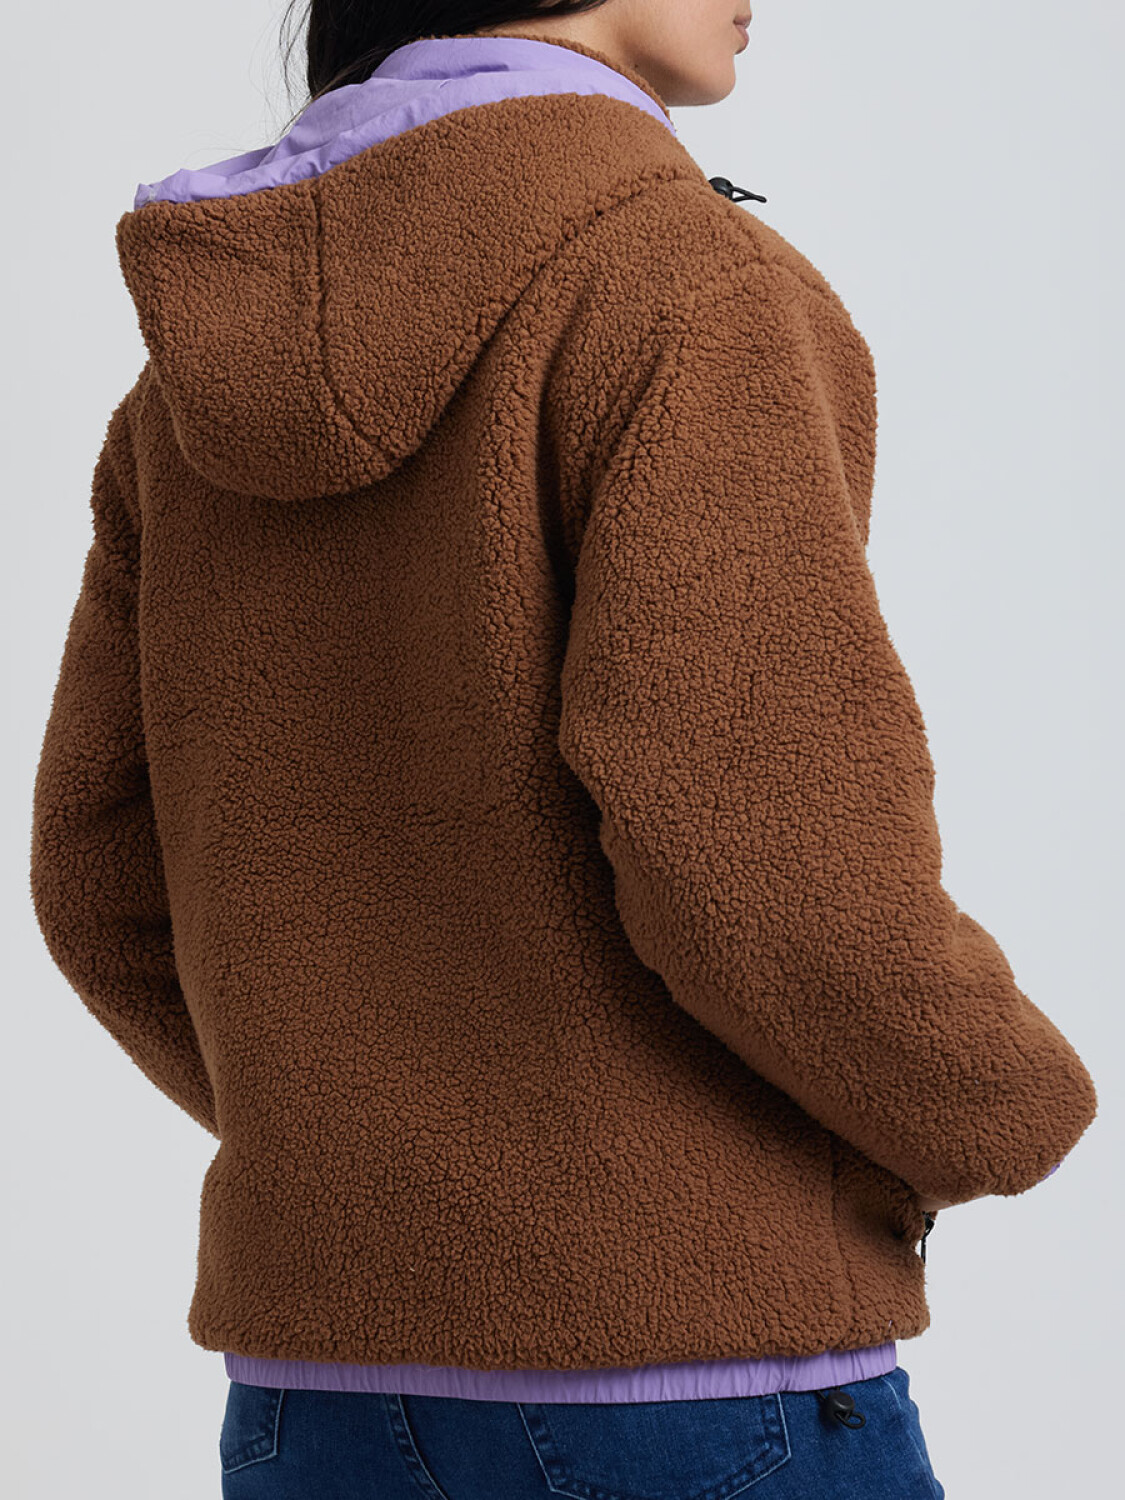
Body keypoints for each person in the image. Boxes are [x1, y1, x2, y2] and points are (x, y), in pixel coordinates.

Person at [29, 2, 1097, 1496]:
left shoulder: (185, 387)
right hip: (690, 1379)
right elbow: (761, 853)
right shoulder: (685, 285)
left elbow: (97, 878)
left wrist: (363, 1139)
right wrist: (1005, 1111)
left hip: (316, 1396)